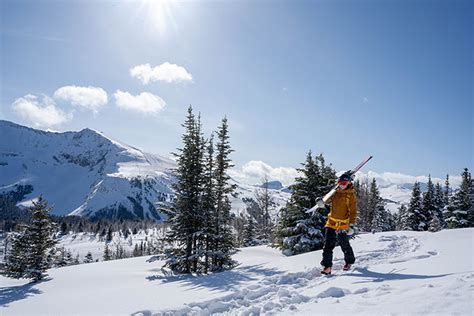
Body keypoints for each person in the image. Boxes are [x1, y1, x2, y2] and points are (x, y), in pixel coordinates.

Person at [320, 173, 357, 275]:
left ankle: (349, 261)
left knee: (344, 243)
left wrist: (351, 225)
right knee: (328, 245)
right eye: (340, 183)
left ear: (349, 183)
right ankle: (327, 266)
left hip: (343, 224)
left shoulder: (351, 195)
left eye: (344, 183)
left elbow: (353, 212)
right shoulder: (335, 192)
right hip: (331, 222)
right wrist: (321, 202)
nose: (341, 185)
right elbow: (326, 200)